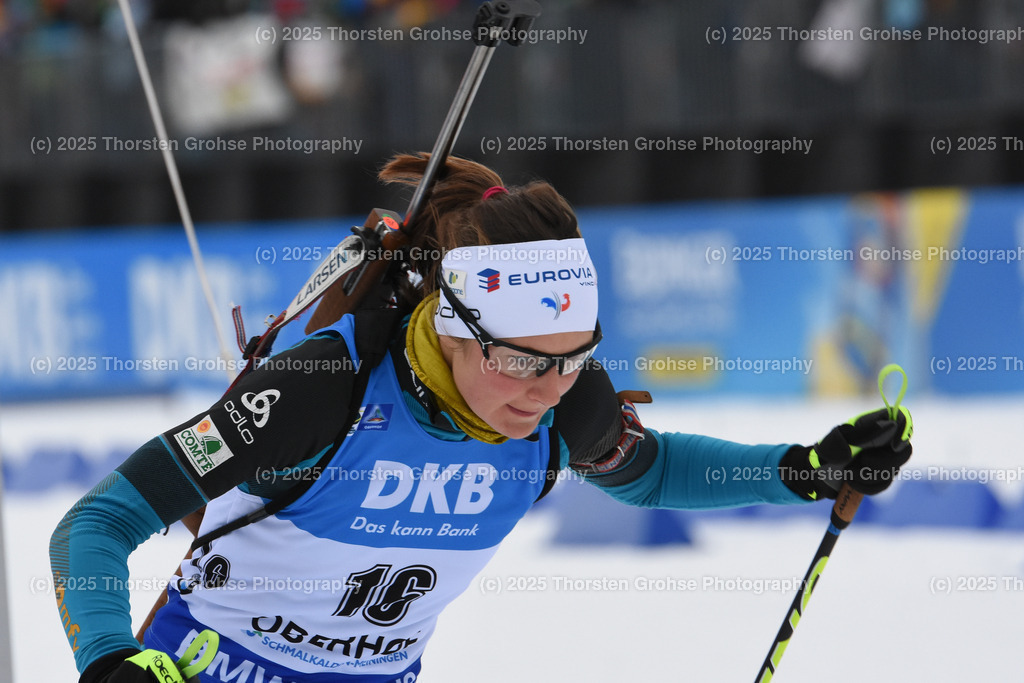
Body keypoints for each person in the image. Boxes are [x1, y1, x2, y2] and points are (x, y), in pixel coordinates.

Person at [50, 153, 913, 683]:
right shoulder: (322, 388)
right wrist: (108, 658)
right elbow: (97, 523)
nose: (545, 388)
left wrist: (805, 467)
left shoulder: (565, 401)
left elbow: (649, 473)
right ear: (453, 329)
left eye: (573, 356)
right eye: (520, 359)